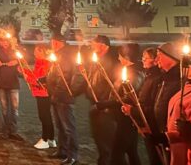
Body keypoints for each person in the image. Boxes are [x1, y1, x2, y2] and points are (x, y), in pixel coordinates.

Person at [82, 35, 119, 165]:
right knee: (98, 138)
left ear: (103, 45)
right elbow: (93, 79)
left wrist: (104, 103)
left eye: (94, 43)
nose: (91, 46)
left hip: (105, 107)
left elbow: (113, 86)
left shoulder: (112, 62)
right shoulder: (97, 60)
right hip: (95, 103)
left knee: (105, 141)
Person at [107, 43, 144, 165]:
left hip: (127, 118)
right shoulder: (126, 71)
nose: (118, 59)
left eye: (120, 56)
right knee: (131, 151)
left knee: (116, 153)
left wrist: (105, 103)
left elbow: (128, 98)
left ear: (126, 57)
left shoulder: (135, 74)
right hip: (122, 116)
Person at [47, 34, 78, 165]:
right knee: (60, 126)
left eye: (52, 42)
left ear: (58, 43)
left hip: (63, 97)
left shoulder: (64, 56)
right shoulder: (58, 55)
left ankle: (73, 155)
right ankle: (62, 150)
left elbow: (64, 77)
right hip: (56, 96)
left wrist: (56, 94)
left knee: (68, 127)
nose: (51, 45)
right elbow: (54, 74)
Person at [20, 44, 55, 150]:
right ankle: (51, 139)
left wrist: (28, 77)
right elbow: (35, 75)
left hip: (44, 93)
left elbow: (40, 81)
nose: (35, 53)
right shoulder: (39, 63)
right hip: (40, 93)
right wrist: (24, 71)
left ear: (43, 52)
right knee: (45, 116)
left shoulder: (46, 64)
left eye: (37, 51)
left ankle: (45, 139)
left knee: (44, 116)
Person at [153, 42, 183, 163]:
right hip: (162, 132)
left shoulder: (179, 79)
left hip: (173, 135)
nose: (156, 60)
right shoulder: (165, 77)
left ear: (170, 57)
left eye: (159, 55)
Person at [138, 47, 164, 165]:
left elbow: (153, 103)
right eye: (142, 57)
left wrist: (134, 111)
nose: (143, 60)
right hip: (146, 122)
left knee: (156, 157)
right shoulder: (148, 76)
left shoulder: (156, 78)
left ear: (155, 60)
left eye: (146, 58)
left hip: (152, 125)